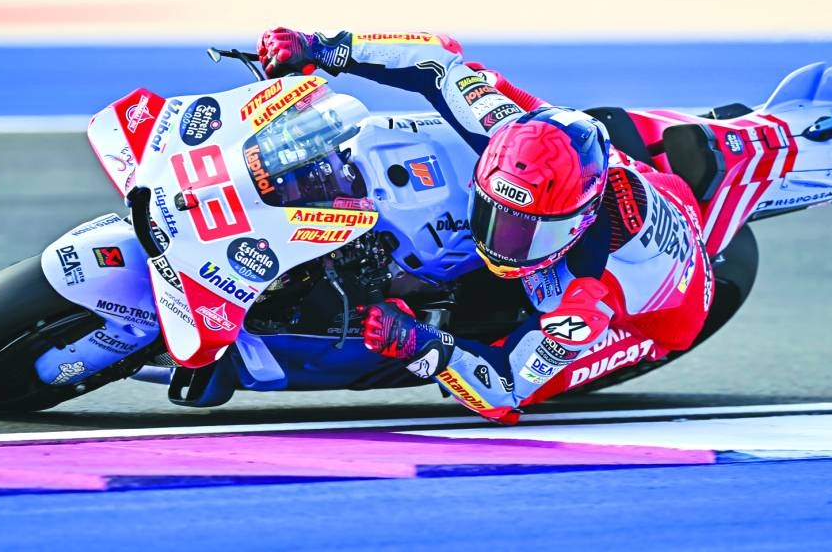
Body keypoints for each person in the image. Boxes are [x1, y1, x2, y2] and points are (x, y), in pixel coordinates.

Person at [257, 27, 714, 424]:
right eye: (495, 214)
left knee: (494, 357)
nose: (502, 242)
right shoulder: (503, 130)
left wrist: (423, 345)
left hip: (660, 312)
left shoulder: (585, 299)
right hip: (614, 168)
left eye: (527, 232)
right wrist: (322, 46)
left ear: (574, 226)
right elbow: (433, 58)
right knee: (486, 87)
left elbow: (505, 393)